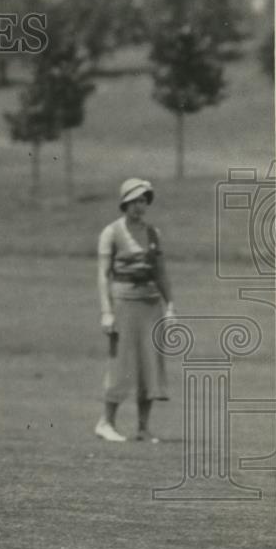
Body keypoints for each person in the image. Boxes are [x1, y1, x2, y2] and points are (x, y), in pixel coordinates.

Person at [96, 178, 175, 443]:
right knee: (121, 364)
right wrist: (106, 311)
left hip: (151, 305)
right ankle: (106, 422)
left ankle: (143, 427)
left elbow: (161, 273)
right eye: (134, 201)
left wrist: (170, 305)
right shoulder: (111, 233)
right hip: (123, 304)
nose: (140, 206)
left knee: (149, 365)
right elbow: (103, 275)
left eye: (143, 201)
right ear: (125, 203)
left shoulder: (154, 233)